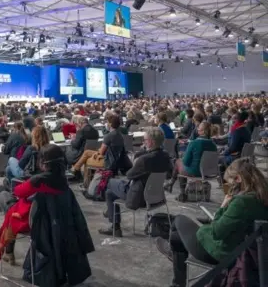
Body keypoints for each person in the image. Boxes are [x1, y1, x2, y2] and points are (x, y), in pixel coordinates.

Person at [156, 158, 268, 287]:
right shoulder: (262, 196)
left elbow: (216, 233)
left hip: (224, 253)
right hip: (250, 251)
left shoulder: (242, 202)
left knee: (179, 220)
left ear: (238, 179)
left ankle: (175, 264)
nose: (229, 186)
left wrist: (223, 207)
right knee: (176, 237)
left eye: (229, 182)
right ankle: (176, 276)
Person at [0, 144, 68, 265]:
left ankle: (9, 250)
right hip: (55, 221)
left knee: (4, 196)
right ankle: (9, 249)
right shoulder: (63, 180)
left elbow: (18, 191)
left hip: (33, 221)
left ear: (43, 162)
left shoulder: (38, 180)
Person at [99, 128, 173, 236]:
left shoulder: (144, 160)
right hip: (156, 196)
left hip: (139, 197)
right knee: (110, 193)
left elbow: (129, 175)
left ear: (151, 142)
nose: (143, 142)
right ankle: (111, 216)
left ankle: (114, 225)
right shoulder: (165, 155)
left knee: (109, 183)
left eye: (145, 140)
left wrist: (136, 160)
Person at [165, 122, 218, 201]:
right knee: (180, 163)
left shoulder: (194, 143)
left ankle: (181, 193)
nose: (197, 128)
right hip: (208, 172)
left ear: (202, 131)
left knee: (177, 162)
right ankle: (171, 184)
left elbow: (186, 162)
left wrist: (183, 158)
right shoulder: (213, 145)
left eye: (199, 127)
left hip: (195, 171)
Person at [71, 114, 130, 185]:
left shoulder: (109, 136)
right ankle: (76, 169)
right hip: (115, 160)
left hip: (107, 162)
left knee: (86, 158)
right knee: (87, 152)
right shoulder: (120, 135)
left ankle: (84, 181)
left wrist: (98, 150)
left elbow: (101, 152)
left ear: (110, 124)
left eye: (107, 122)